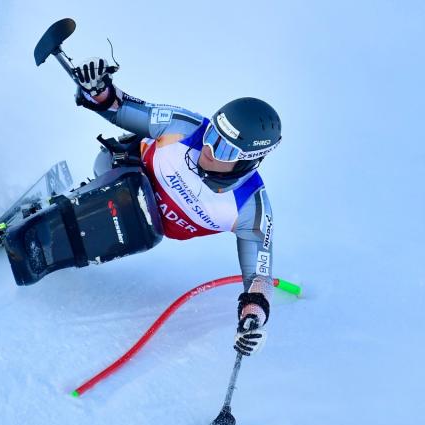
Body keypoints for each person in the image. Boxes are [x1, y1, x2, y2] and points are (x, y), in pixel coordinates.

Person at [72, 57, 281, 357]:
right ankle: (67, 207)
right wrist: (99, 89)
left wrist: (254, 317)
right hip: (123, 171)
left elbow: (259, 280)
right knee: (124, 194)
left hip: (142, 227)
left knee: (135, 229)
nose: (207, 149)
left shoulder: (251, 208)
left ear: (249, 160)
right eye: (212, 135)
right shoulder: (183, 126)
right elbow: (120, 108)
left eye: (222, 148)